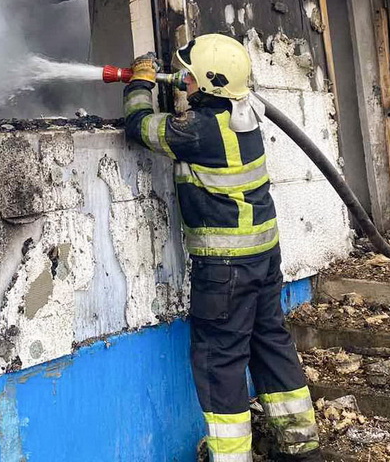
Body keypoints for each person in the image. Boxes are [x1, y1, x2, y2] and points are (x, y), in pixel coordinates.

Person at [123, 34, 322, 462]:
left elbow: (140, 127)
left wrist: (138, 85)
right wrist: (181, 89)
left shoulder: (196, 131)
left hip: (225, 269)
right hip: (263, 258)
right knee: (271, 344)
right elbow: (195, 116)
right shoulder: (244, 113)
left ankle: (232, 457)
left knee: (220, 361)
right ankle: (301, 448)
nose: (183, 81)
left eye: (189, 77)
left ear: (210, 83)